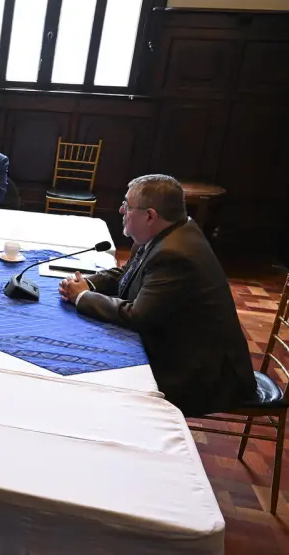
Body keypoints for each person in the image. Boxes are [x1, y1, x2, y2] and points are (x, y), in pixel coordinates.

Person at [58, 174, 256, 417]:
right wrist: (86, 284)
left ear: (150, 215)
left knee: (98, 374)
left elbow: (139, 316)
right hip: (180, 347)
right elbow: (127, 273)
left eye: (127, 205)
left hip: (201, 374)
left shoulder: (175, 255)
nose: (121, 209)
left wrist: (82, 298)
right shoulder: (169, 231)